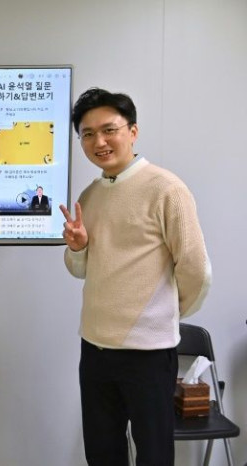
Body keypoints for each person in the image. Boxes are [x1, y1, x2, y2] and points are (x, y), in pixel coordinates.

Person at [60, 88, 211, 466]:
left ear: (133, 131)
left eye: (109, 129)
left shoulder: (166, 190)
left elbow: (196, 270)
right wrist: (78, 247)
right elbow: (82, 271)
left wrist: (162, 315)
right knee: (102, 451)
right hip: (94, 348)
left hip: (148, 353)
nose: (100, 141)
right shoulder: (90, 195)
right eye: (88, 134)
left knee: (154, 453)